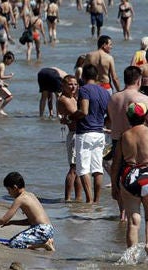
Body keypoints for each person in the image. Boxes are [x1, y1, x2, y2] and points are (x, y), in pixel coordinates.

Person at [0, 171, 55, 251]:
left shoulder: (20, 199)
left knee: (13, 243)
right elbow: (31, 221)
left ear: (15, 188)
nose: (8, 193)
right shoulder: (31, 195)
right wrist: (12, 222)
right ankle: (44, 242)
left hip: (41, 230)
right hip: (48, 230)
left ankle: (43, 244)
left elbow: (3, 220)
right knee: (14, 241)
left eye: (8, 190)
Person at [108, 66, 148, 220]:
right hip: (138, 140)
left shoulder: (113, 97)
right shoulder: (144, 99)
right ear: (138, 80)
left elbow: (111, 120)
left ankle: (122, 213)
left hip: (118, 139)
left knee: (120, 176)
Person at [69, 64, 110, 203]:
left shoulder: (84, 89)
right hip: (99, 133)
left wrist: (71, 116)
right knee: (98, 169)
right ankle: (97, 201)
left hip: (85, 133)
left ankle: (89, 200)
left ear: (83, 77)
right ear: (97, 77)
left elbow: (84, 111)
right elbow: (109, 116)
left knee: (83, 169)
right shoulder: (105, 92)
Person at [111, 102, 148, 254]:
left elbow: (116, 164)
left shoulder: (124, 136)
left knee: (133, 220)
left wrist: (114, 185)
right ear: (145, 116)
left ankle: (131, 257)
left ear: (128, 117)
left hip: (129, 177)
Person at [57, 75, 83, 202]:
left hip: (79, 134)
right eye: (70, 84)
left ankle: (78, 198)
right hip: (73, 135)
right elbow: (77, 115)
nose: (73, 87)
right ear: (64, 86)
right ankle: (67, 198)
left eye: (75, 84)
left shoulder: (73, 97)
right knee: (73, 168)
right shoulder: (64, 99)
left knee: (79, 169)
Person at [0, 51, 14, 116]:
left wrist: (4, 83)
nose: (11, 63)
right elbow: (1, 76)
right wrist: (10, 76)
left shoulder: (1, 64)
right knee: (10, 97)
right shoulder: (2, 66)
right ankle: (0, 110)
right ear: (7, 59)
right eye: (11, 61)